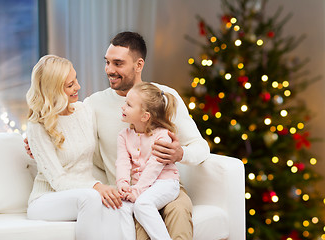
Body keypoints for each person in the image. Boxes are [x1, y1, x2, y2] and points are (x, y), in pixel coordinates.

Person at [25, 31, 210, 239]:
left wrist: (180, 153)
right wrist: (38, 145)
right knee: (139, 224)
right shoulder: (92, 105)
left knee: (178, 212)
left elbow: (201, 148)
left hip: (163, 186)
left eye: (118, 63)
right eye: (107, 62)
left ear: (138, 65)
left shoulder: (164, 97)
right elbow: (70, 136)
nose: (109, 70)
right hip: (127, 194)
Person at [25, 55, 121, 240]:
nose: (78, 87)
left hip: (85, 193)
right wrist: (96, 187)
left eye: (75, 79)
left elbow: (93, 158)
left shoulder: (84, 111)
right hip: (46, 199)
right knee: (91, 198)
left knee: (119, 203)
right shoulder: (37, 125)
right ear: (53, 90)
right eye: (70, 85)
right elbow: (58, 181)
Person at [116, 82, 181, 240]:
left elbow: (154, 167)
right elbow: (122, 163)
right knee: (121, 207)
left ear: (145, 116)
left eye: (129, 105)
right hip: (141, 186)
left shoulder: (162, 135)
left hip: (165, 183)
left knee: (142, 204)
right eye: (125, 103)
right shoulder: (123, 135)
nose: (123, 107)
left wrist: (137, 191)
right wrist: (123, 185)